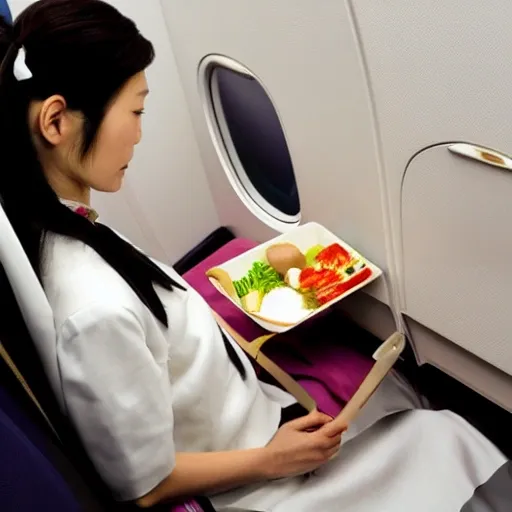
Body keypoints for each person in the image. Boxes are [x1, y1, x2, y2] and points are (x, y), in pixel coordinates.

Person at [0, 1, 507, 511]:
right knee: (445, 438)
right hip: (252, 482)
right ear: (57, 121)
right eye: (135, 111)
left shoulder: (72, 226)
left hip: (256, 422)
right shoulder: (93, 309)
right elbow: (144, 484)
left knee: (436, 435)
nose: (138, 132)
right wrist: (273, 458)